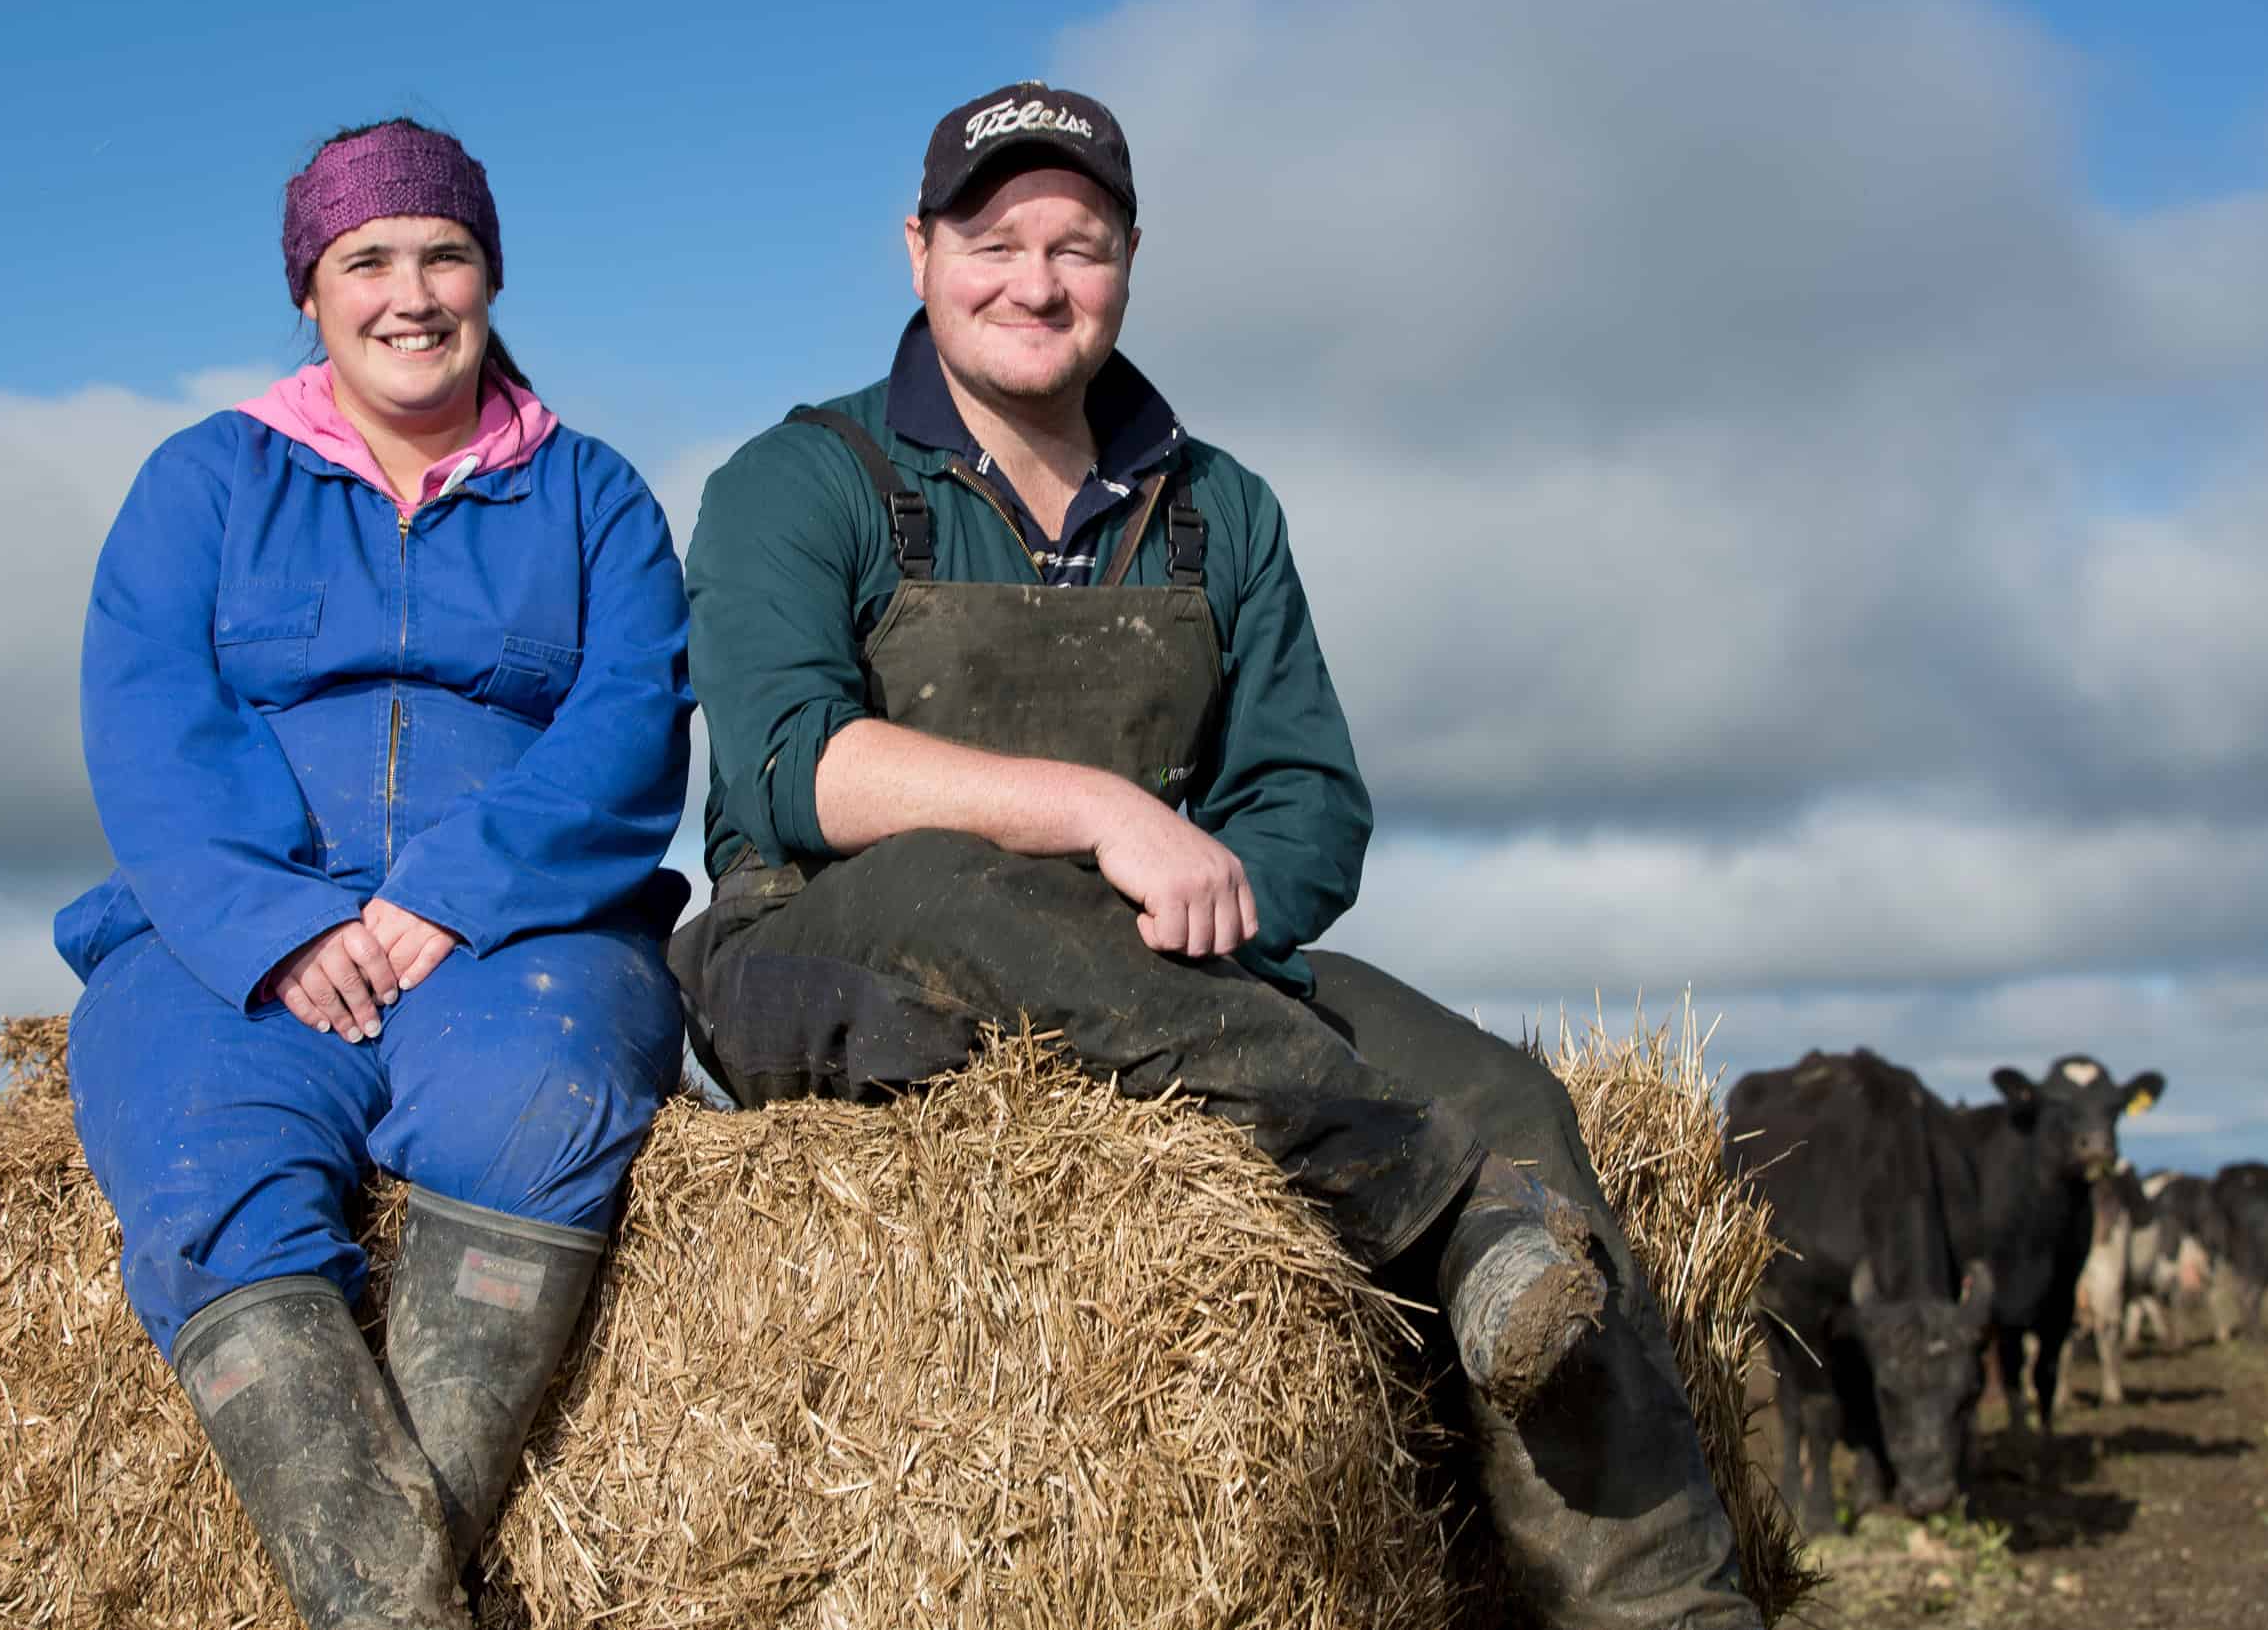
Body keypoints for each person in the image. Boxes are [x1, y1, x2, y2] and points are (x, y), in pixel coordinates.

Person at [670, 83, 1759, 1630]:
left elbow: (1312, 799)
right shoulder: (804, 480)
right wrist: (1109, 818)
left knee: (1515, 1095)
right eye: (993, 242)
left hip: (1177, 968)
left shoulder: (1217, 510)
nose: (1036, 283)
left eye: (1081, 246)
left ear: (1129, 263)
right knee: (957, 890)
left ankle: (1666, 1607)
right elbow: (795, 767)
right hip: (831, 939)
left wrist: (1209, 895)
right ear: (916, 252)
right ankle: (1439, 1215)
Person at [56, 119, 693, 1630]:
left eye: (445, 254)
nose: (410, 293)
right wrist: (274, 923)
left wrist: (458, 888)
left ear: (490, 274)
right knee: (206, 1159)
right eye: (368, 261)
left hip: (515, 931)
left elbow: (628, 720)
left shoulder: (594, 497)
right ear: (311, 292)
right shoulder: (206, 481)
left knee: (540, 1104)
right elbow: (146, 713)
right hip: (229, 936)